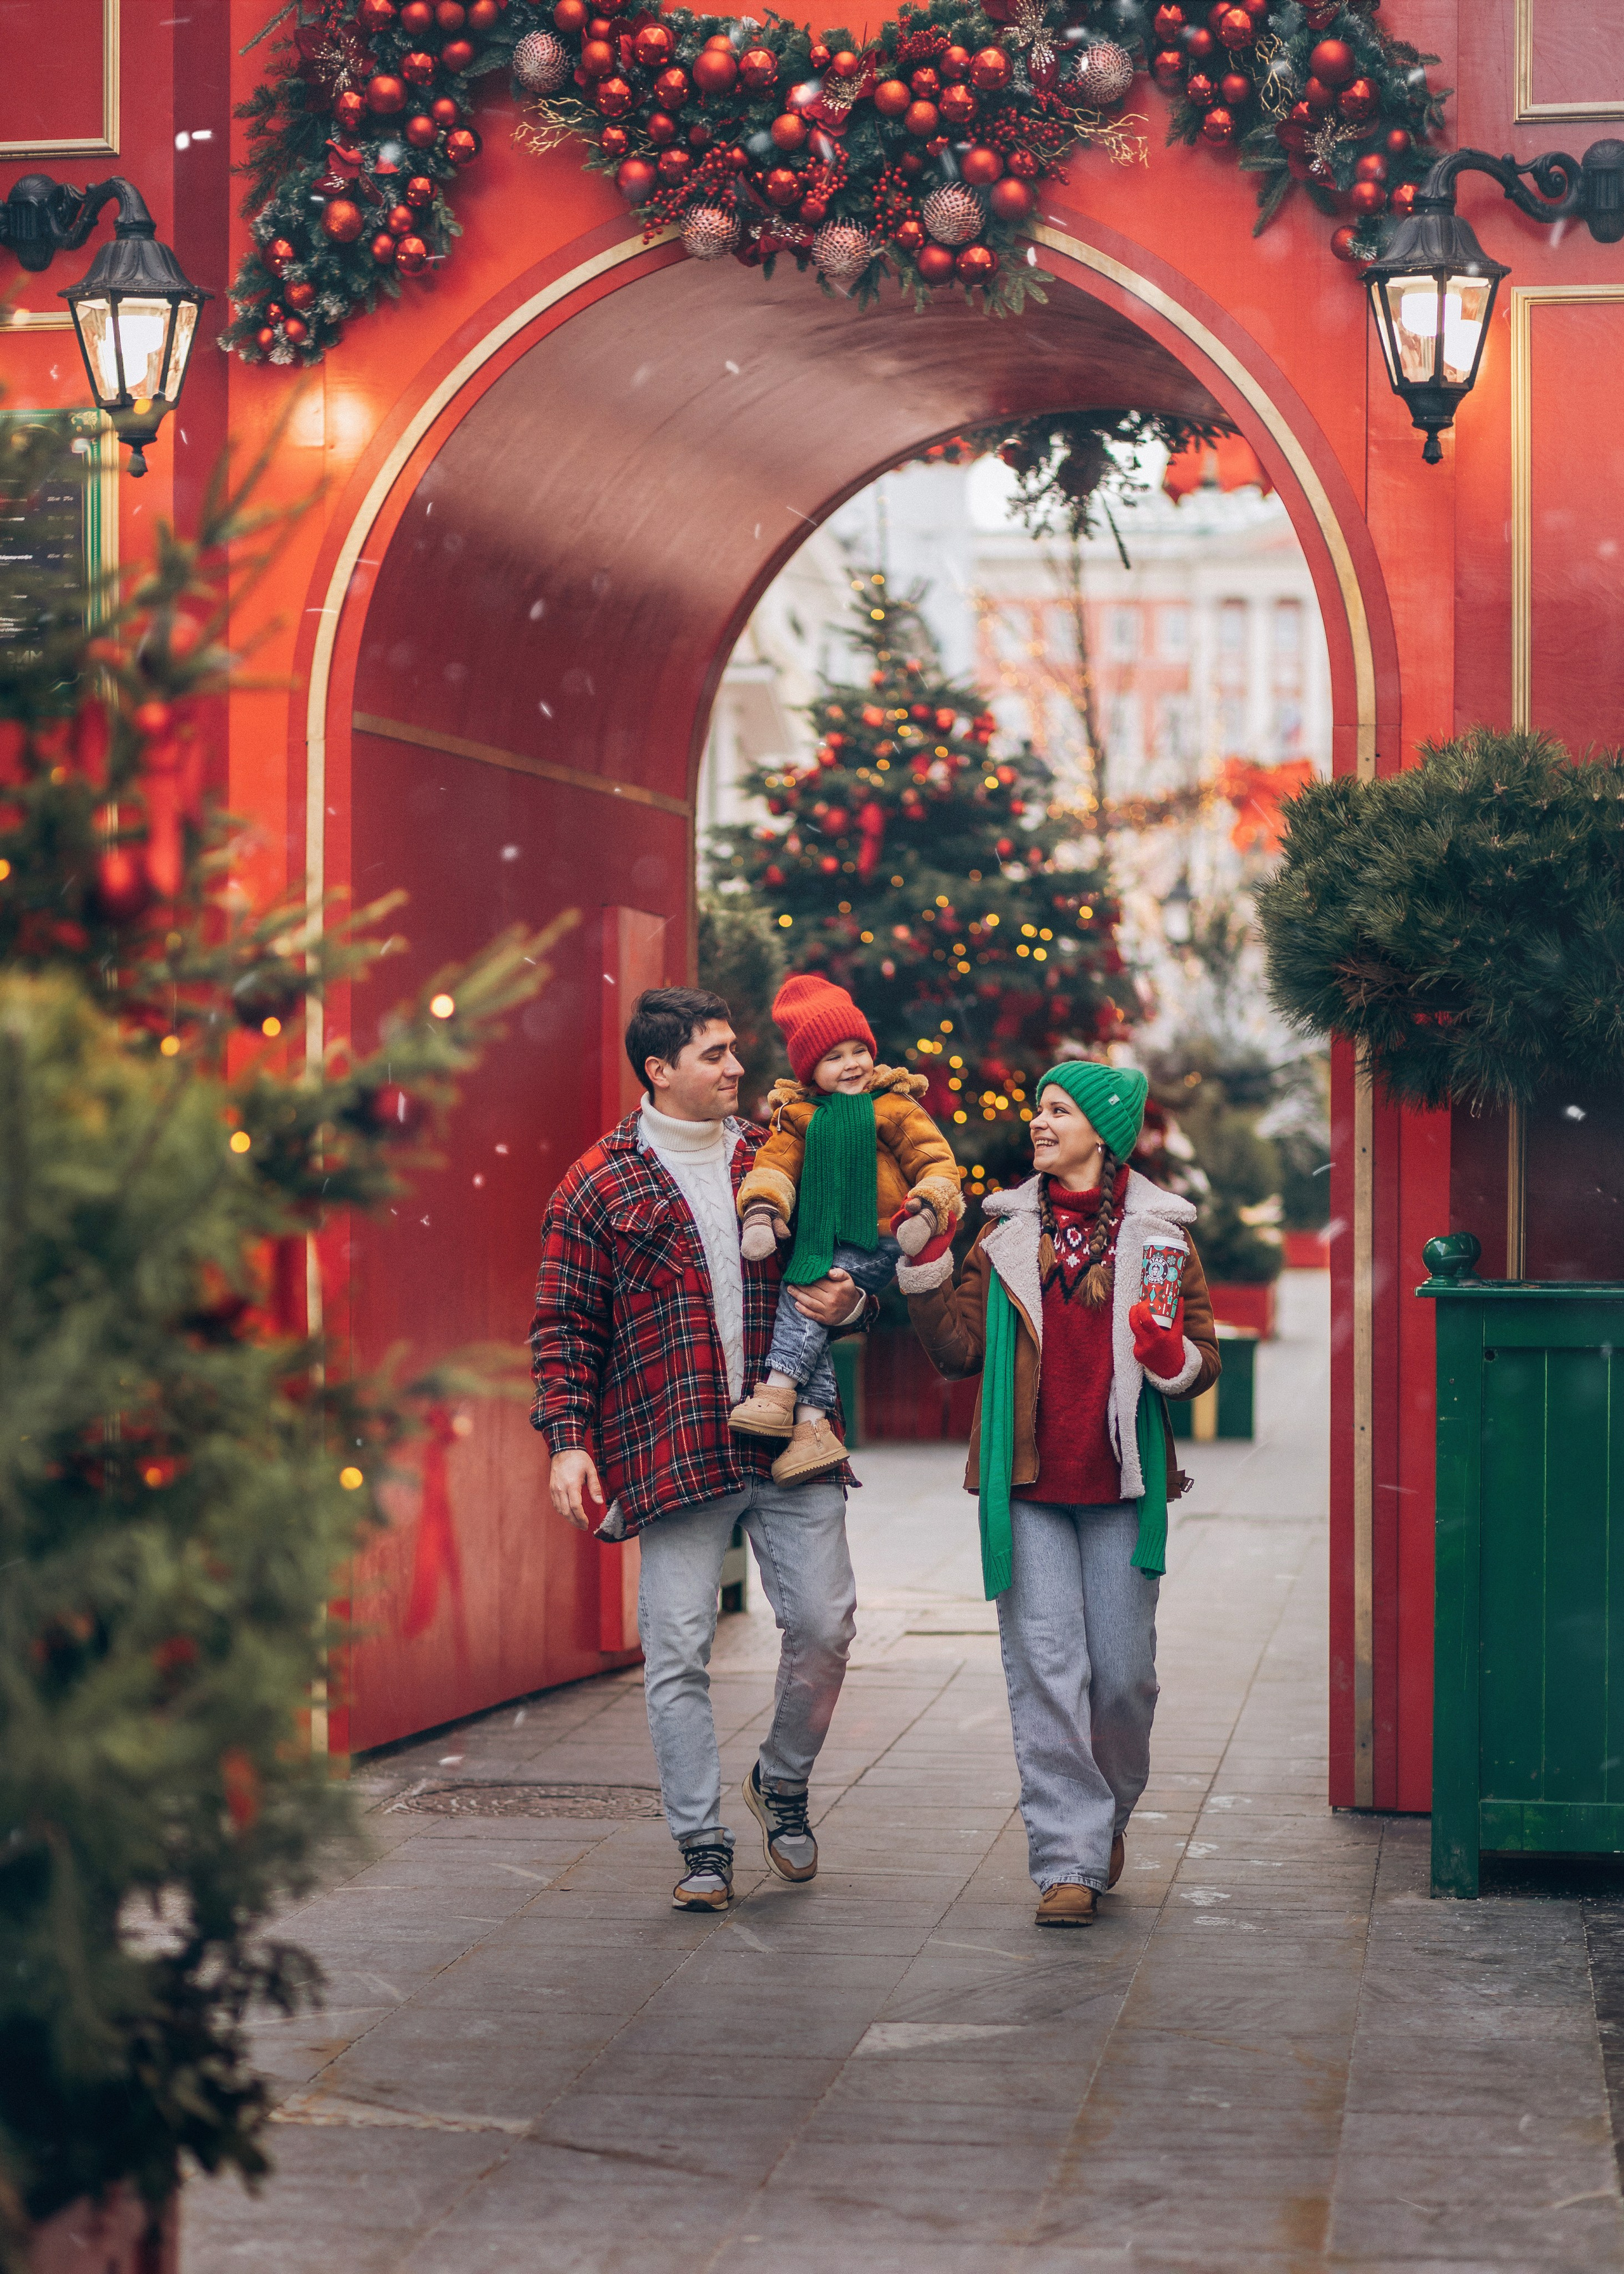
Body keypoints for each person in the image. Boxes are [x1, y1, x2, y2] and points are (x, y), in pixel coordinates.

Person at [530, 987, 872, 1914]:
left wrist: (856, 1301)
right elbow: (564, 1327)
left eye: (733, 1050)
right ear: (659, 1069)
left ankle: (782, 1781)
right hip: (674, 1446)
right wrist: (567, 1442)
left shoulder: (776, 1155)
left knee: (828, 1625)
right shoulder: (597, 1184)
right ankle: (702, 1840)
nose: (735, 1068)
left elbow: (847, 1263)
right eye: (714, 1054)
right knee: (678, 1650)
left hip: (792, 1438)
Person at [898, 1058, 1220, 1929]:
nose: (1038, 1122)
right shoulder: (1003, 1230)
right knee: (1047, 1669)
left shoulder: (1160, 1235)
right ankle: (1068, 1859)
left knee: (1124, 1679)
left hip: (1121, 1486)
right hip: (1027, 1486)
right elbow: (960, 1352)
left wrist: (1170, 1359)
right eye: (1039, 1108)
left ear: (1103, 1135)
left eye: (1058, 1110)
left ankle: (1105, 1816)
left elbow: (1202, 1358)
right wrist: (924, 1269)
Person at [728, 974, 964, 1485]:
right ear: (810, 1068)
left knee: (807, 1288)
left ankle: (778, 1390)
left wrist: (927, 1207)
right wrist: (763, 1210)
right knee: (812, 1300)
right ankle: (812, 1429)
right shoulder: (798, 1117)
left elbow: (936, 1161)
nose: (852, 1063)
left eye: (859, 1050)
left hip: (883, 1236)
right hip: (822, 1239)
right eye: (834, 1056)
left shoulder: (893, 1106)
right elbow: (773, 1167)